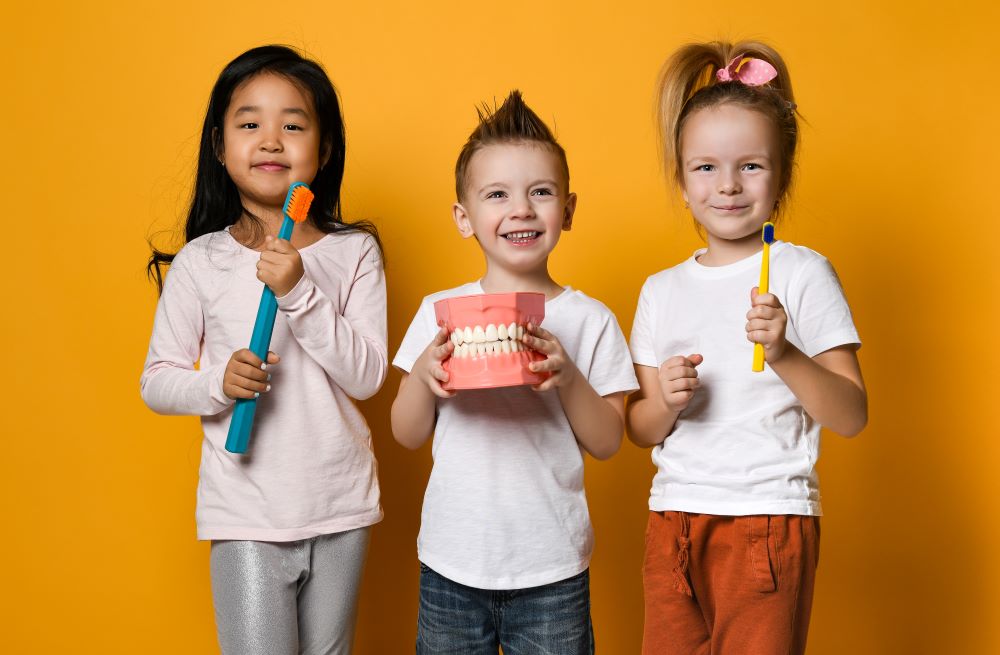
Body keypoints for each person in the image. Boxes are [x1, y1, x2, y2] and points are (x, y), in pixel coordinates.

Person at [140, 45, 386, 655]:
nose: (271, 140)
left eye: (293, 125)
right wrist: (217, 385)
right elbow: (157, 380)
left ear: (323, 150)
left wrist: (300, 291)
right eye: (249, 124)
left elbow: (367, 377)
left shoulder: (354, 253)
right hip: (245, 510)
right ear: (220, 148)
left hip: (340, 507)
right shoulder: (202, 260)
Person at [626, 40, 868, 655]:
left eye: (751, 166)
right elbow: (642, 428)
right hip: (672, 519)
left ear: (780, 173)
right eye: (705, 167)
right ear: (681, 181)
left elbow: (851, 414)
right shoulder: (661, 291)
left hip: (767, 516)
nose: (728, 185)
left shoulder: (802, 273)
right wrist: (670, 402)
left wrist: (785, 353)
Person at [391, 90, 638, 654]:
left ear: (568, 211)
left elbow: (607, 442)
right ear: (464, 217)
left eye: (541, 193)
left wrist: (568, 376)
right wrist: (424, 376)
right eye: (497, 194)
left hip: (552, 568)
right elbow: (405, 433)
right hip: (451, 564)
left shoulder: (590, 319)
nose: (521, 209)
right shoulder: (438, 312)